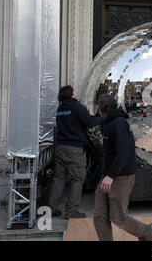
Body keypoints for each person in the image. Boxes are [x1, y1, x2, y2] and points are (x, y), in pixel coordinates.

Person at [93, 94, 152, 241]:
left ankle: (146, 232)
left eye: (98, 109)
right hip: (108, 175)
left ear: (102, 109)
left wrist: (110, 176)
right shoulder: (108, 122)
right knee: (99, 215)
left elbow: (123, 153)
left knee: (118, 218)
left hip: (120, 176)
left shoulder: (118, 124)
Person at [48, 85, 102, 219]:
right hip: (74, 149)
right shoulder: (76, 107)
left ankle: (51, 209)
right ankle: (71, 211)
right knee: (77, 179)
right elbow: (90, 122)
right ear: (71, 94)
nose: (76, 93)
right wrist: (101, 117)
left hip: (60, 147)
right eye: (74, 91)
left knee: (59, 178)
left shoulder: (61, 109)